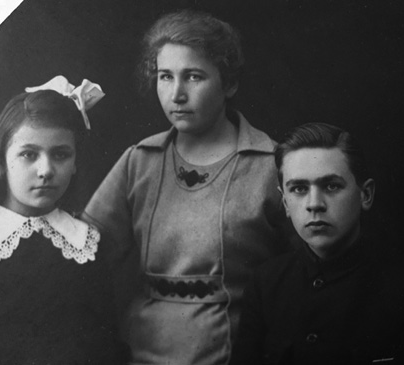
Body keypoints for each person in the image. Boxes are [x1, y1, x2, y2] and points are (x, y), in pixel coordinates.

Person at [81, 9, 290, 365]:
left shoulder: (269, 163)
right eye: (165, 77)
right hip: (141, 347)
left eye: (193, 77)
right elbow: (85, 251)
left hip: (235, 349)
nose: (176, 94)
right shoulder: (140, 160)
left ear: (229, 83)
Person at [230, 123, 404, 365]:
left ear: (365, 195)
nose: (314, 204)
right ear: (285, 203)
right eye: (299, 189)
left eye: (331, 186)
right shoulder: (266, 285)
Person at [0, 80, 127, 363]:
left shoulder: (87, 244)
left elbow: (104, 345)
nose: (46, 170)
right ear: (2, 162)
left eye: (61, 155)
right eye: (29, 154)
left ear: (76, 162)